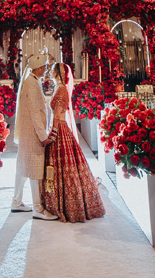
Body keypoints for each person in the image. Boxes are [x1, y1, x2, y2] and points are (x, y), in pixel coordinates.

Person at [41, 62, 106, 222]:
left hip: (60, 130)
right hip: (60, 128)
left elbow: (57, 116)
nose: (50, 73)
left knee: (62, 167)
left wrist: (52, 135)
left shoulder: (61, 90)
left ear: (58, 74)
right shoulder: (60, 88)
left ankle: (68, 205)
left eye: (53, 71)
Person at [12, 52, 58, 220]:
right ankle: (37, 208)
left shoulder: (32, 81)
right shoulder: (31, 83)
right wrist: (42, 135)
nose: (46, 69)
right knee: (34, 168)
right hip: (32, 133)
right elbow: (34, 112)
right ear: (37, 68)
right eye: (44, 67)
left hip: (29, 131)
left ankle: (16, 201)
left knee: (23, 166)